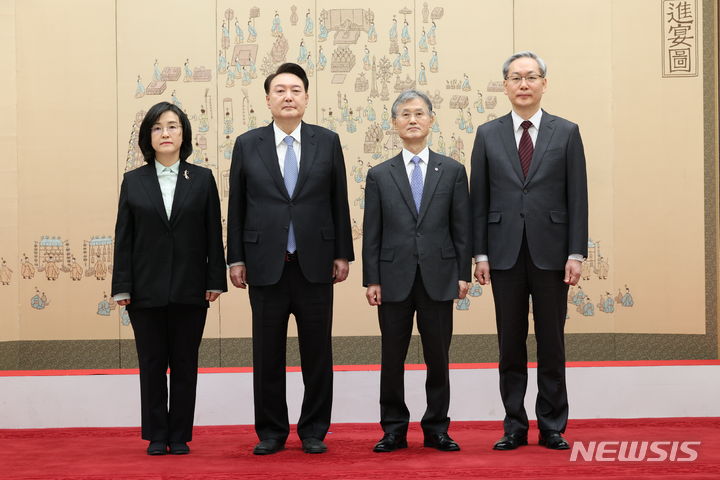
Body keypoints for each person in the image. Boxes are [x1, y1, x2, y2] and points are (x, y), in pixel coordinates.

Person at [227, 63, 353, 455]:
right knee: (267, 354)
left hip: (315, 263)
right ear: (267, 100)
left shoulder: (327, 141)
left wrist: (343, 253)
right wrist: (235, 259)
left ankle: (314, 430)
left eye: (295, 90)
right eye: (279, 90)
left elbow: (338, 200)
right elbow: (237, 205)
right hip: (266, 264)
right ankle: (271, 432)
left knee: (318, 353)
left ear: (306, 98)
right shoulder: (248, 144)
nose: (287, 96)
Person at [470, 51, 588, 451]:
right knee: (510, 342)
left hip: (553, 255)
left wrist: (577, 252)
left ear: (543, 83)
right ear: (505, 85)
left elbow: (578, 197)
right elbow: (479, 199)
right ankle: (514, 425)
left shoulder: (566, 132)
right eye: (516, 78)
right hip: (503, 254)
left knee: (552, 342)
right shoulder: (487, 134)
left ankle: (552, 425)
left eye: (531, 77)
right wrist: (480, 255)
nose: (524, 84)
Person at [111, 102, 227, 456]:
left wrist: (214, 280)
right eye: (158, 128)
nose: (166, 133)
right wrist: (122, 286)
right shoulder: (134, 181)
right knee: (151, 365)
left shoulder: (202, 179)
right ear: (149, 136)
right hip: (144, 291)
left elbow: (212, 234)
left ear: (184, 134)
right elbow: (124, 238)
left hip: (191, 290)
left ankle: (180, 435)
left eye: (173, 126)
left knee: (185, 365)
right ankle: (156, 435)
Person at [363, 90, 471, 453]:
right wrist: (372, 278)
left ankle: (437, 427)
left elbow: (462, 227)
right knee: (392, 358)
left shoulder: (453, 170)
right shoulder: (380, 174)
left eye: (419, 113)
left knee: (437, 357)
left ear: (431, 120)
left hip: (440, 278)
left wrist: (462, 273)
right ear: (394, 124)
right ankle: (393, 428)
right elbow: (372, 231)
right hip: (392, 279)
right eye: (405, 114)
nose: (412, 119)